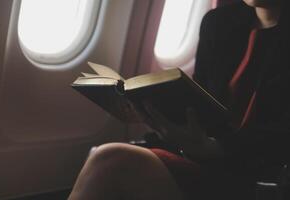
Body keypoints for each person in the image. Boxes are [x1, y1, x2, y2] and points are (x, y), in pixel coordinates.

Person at [68, 0, 290, 199]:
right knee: (103, 156)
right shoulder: (219, 23)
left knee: (111, 159)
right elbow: (201, 103)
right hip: (205, 159)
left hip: (261, 177)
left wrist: (216, 148)